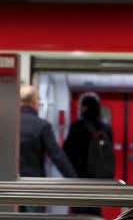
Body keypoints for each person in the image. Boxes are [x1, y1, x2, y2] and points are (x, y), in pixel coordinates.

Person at [19, 85, 77, 213]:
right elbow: (57, 156)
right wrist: (74, 180)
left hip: (7, 185)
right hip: (33, 186)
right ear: (34, 101)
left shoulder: (6, 123)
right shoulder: (42, 126)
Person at [63, 92, 114, 216]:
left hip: (80, 177)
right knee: (95, 208)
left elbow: (67, 151)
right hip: (98, 177)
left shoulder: (76, 126)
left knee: (80, 209)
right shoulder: (105, 128)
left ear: (84, 107)